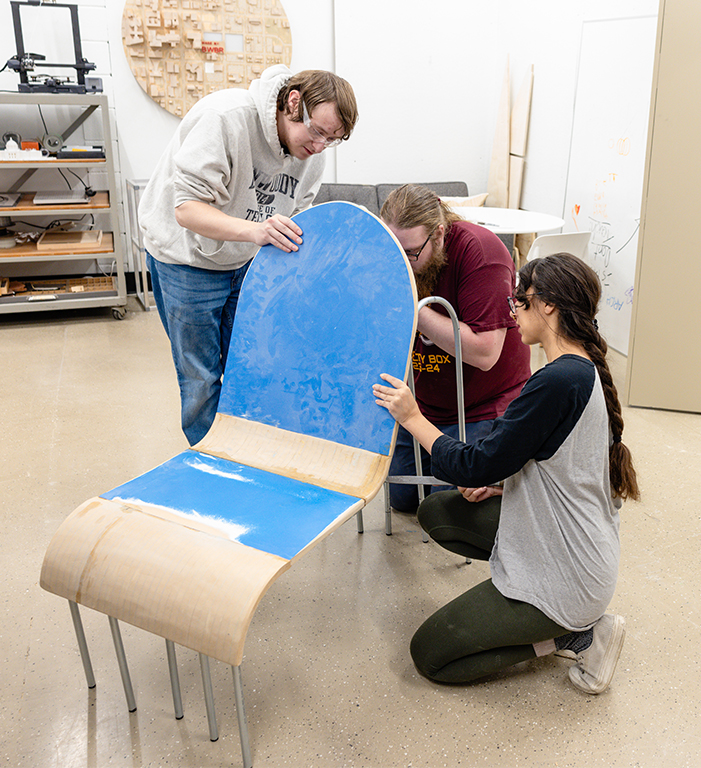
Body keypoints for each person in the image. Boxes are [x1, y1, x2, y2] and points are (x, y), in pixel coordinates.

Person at [372, 252, 639, 693]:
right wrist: (502, 485)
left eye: (520, 299)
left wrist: (412, 417)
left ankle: (576, 635)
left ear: (548, 304)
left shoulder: (557, 382)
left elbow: (473, 463)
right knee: (440, 511)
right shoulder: (579, 367)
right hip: (576, 546)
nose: (512, 309)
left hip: (570, 576)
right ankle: (552, 618)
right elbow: (554, 466)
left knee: (431, 655)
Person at [140, 66, 358, 445]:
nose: (321, 146)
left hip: (243, 260)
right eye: (318, 131)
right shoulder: (224, 118)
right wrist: (257, 232)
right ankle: (214, 463)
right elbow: (188, 209)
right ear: (294, 102)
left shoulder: (312, 155)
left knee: (250, 363)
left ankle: (248, 450)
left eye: (333, 139)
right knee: (201, 377)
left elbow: (295, 218)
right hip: (184, 259)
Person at [379, 185, 531, 511]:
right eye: (394, 251)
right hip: (425, 402)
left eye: (411, 254)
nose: (402, 264)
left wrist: (414, 309)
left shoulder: (481, 253)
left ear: (439, 233)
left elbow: (485, 353)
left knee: (446, 505)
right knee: (402, 499)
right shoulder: (396, 251)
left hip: (481, 402)